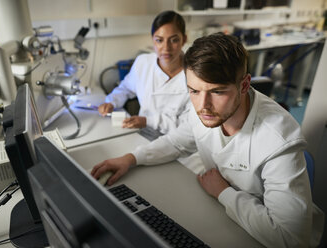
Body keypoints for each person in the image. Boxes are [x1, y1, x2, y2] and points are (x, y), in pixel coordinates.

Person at [92, 33, 324, 247]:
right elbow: (177, 142)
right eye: (193, 91)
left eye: (217, 92)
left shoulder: (278, 140)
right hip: (225, 215)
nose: (202, 106)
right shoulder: (204, 108)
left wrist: (224, 193)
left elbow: (291, 239)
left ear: (244, 85)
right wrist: (131, 158)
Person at [98, 10, 190, 134]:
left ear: (184, 40)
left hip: (178, 143)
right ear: (152, 40)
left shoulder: (194, 75)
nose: (166, 48)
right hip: (142, 135)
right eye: (159, 40)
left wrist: (148, 121)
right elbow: (126, 89)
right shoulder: (144, 63)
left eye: (174, 40)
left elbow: (188, 126)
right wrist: (111, 102)